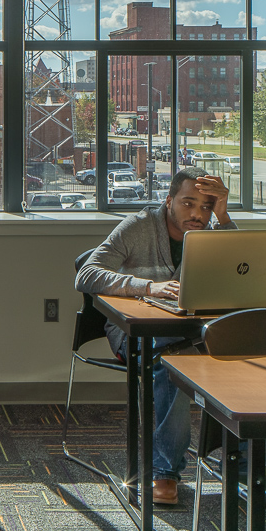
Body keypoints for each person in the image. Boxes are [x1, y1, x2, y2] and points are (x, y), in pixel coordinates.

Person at [76, 167, 235, 506]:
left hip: (194, 331)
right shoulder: (139, 227)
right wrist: (147, 287)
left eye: (206, 206)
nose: (197, 214)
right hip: (134, 332)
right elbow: (87, 274)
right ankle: (164, 472)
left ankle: (247, 466)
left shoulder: (212, 232)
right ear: (169, 201)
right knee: (172, 360)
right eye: (188, 203)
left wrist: (223, 217)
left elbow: (243, 271)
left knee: (245, 353)